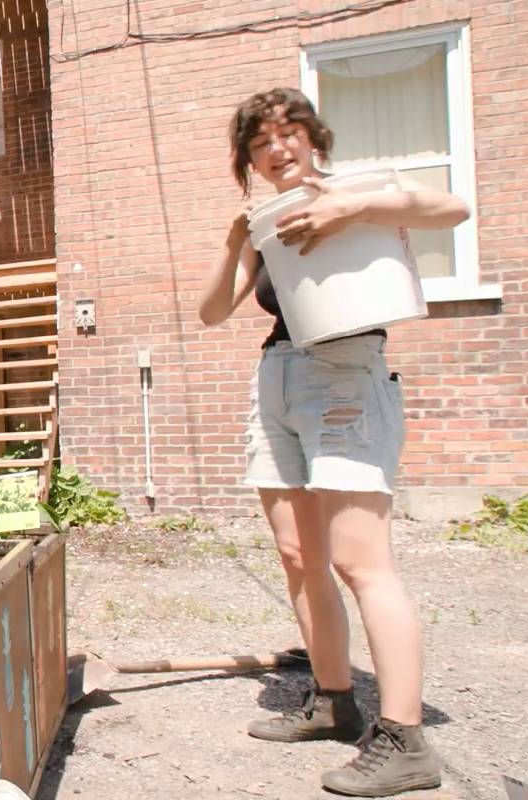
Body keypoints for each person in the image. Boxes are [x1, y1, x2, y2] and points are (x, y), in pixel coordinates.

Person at [198, 87, 470, 797]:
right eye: (260, 142)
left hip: (347, 372)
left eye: (289, 133)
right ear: (248, 159)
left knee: (360, 559)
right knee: (298, 554)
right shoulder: (266, 221)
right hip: (279, 376)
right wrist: (236, 242)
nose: (277, 148)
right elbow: (209, 311)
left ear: (314, 138)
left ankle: (406, 740)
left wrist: (355, 206)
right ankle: (333, 700)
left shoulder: (358, 187)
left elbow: (453, 208)